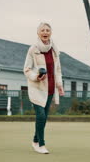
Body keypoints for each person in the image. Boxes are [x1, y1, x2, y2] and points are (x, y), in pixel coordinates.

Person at [23, 22, 65, 154]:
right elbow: (26, 69)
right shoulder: (33, 49)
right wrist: (36, 76)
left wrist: (60, 86)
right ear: (38, 33)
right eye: (42, 30)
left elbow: (57, 70)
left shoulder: (54, 50)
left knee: (44, 117)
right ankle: (41, 144)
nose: (45, 32)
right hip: (36, 88)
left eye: (48, 30)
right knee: (40, 115)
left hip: (50, 88)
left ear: (50, 33)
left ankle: (35, 141)